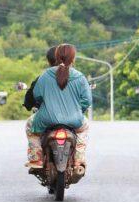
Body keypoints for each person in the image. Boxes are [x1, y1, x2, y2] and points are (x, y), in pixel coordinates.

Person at [26, 44, 92, 177]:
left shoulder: (45, 75)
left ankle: (36, 159)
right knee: (84, 129)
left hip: (46, 119)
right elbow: (87, 100)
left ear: (56, 57)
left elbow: (37, 95)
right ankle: (79, 160)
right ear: (73, 59)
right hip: (74, 120)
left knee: (30, 126)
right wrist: (78, 110)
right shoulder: (80, 77)